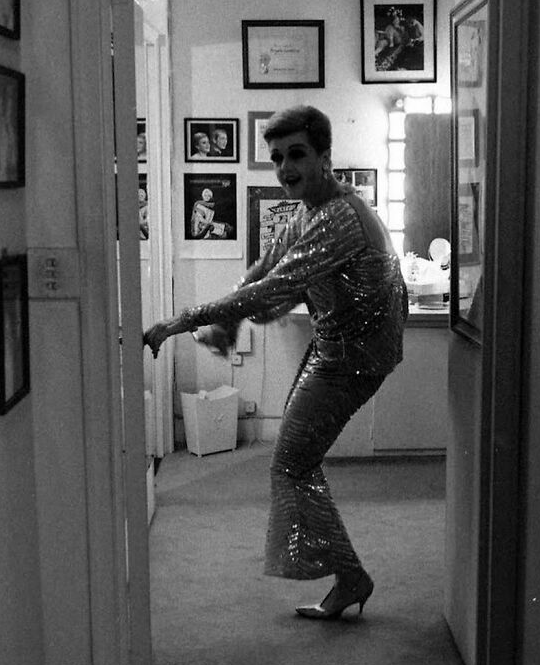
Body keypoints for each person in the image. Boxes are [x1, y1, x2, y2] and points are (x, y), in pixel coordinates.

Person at [144, 105, 408, 620]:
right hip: (332, 347)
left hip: (356, 360)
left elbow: (277, 288)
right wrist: (228, 323)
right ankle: (349, 575)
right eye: (277, 158)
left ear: (326, 156)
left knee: (290, 461)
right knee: (293, 460)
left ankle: (351, 577)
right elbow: (264, 271)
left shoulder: (343, 218)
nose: (285, 168)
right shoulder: (309, 212)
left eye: (297, 155)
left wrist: (183, 320)